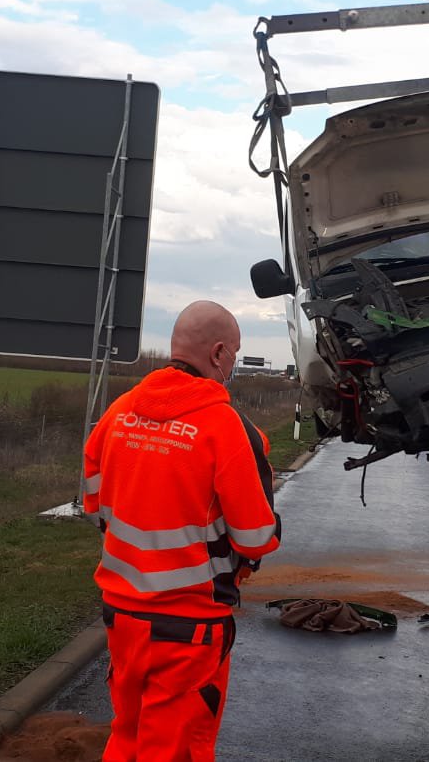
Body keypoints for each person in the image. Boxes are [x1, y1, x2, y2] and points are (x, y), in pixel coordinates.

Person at [82, 300, 282, 762]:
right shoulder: (227, 428)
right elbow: (255, 539)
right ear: (218, 354)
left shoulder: (119, 413)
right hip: (189, 627)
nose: (233, 364)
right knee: (174, 749)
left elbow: (95, 507)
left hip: (122, 616)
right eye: (234, 353)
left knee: (127, 736)